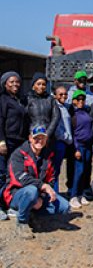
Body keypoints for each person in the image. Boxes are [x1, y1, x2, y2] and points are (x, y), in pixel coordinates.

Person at [3, 125, 70, 239]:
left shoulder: (48, 156)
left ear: (46, 139)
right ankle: (22, 222)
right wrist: (42, 186)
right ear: (30, 138)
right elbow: (20, 178)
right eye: (36, 138)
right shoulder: (18, 154)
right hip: (16, 194)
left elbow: (51, 178)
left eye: (42, 138)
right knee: (31, 191)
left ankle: (31, 213)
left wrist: (43, 194)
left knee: (65, 207)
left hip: (38, 193)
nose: (39, 141)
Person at [0, 71, 27, 221]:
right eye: (11, 82)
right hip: (6, 142)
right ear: (5, 84)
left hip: (19, 142)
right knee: (1, 174)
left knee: (14, 175)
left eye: (17, 81)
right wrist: (1, 141)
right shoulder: (2, 100)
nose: (15, 84)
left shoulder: (20, 100)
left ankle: (10, 204)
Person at [69, 90, 93, 209]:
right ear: (73, 101)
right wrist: (76, 149)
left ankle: (81, 194)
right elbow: (73, 133)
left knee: (86, 171)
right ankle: (73, 195)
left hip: (88, 145)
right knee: (78, 171)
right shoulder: (73, 115)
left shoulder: (86, 111)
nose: (80, 102)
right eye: (78, 99)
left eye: (82, 99)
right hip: (79, 145)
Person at [25, 73, 60, 140]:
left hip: (48, 136)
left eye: (43, 84)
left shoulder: (50, 99)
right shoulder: (27, 99)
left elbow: (56, 116)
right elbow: (25, 118)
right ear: (33, 86)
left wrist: (48, 133)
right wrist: (30, 133)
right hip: (33, 135)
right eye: (38, 84)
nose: (41, 86)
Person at [53, 86, 73, 194]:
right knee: (54, 171)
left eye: (65, 94)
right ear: (55, 95)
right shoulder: (55, 107)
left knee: (58, 169)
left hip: (65, 142)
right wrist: (66, 137)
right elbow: (56, 127)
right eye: (61, 94)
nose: (63, 96)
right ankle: (55, 194)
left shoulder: (65, 107)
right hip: (59, 141)